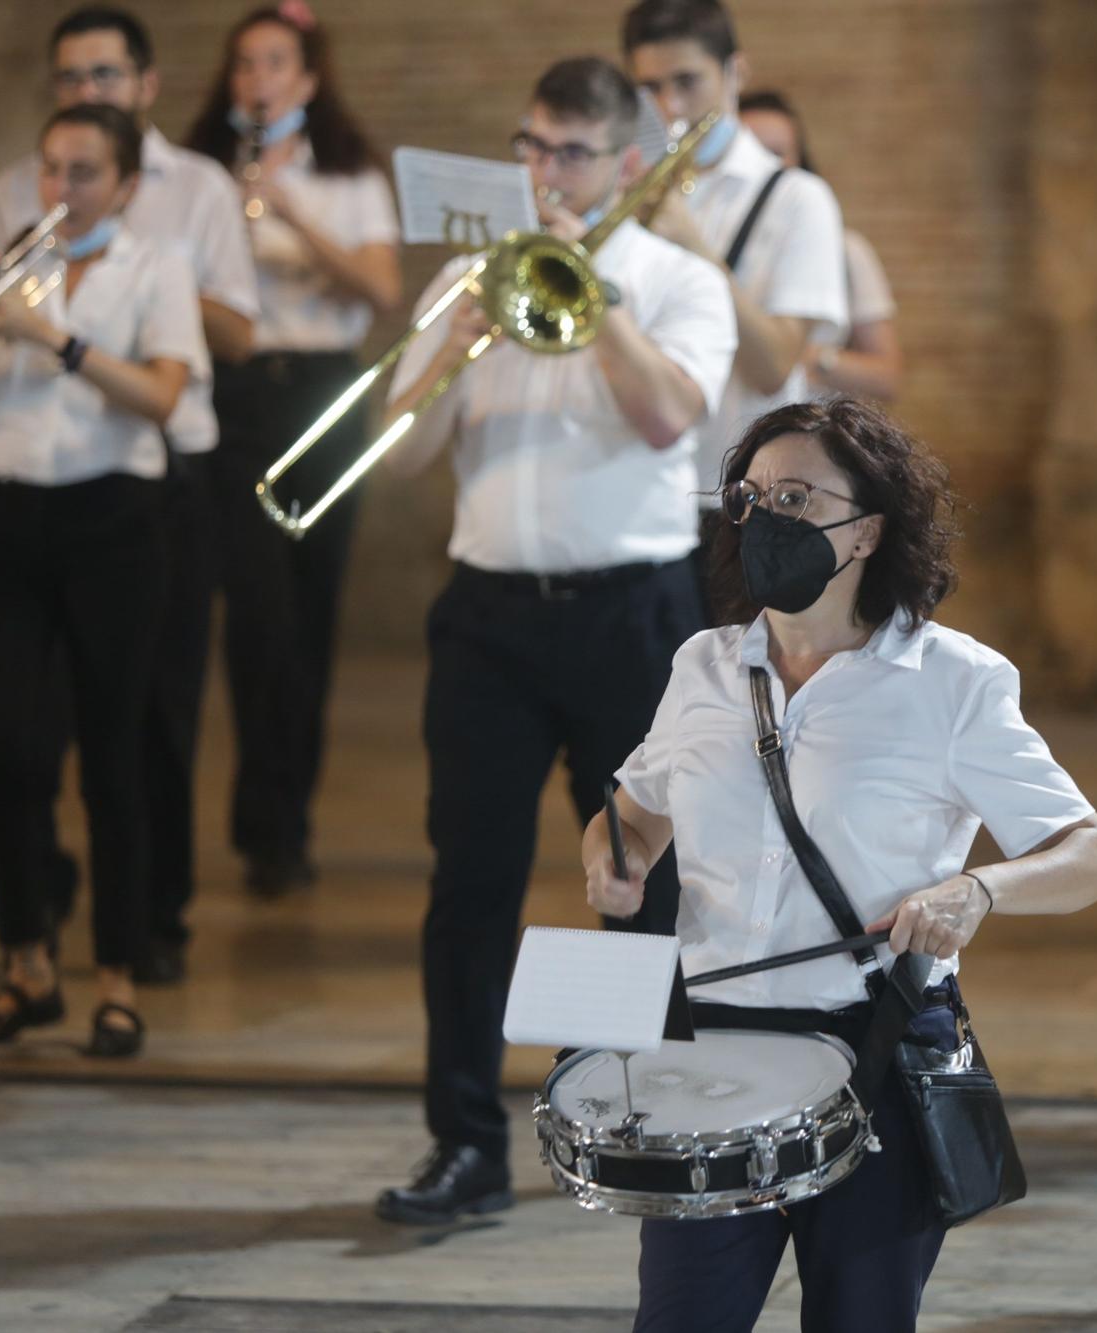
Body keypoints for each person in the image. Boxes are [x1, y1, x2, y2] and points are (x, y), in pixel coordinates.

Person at [582, 396, 1097, 1332]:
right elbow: (630, 819)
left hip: (872, 1057)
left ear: (868, 529)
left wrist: (979, 888)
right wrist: (615, 861)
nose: (766, 518)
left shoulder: (955, 681)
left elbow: (1096, 856)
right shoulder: (704, 666)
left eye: (796, 496)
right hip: (708, 1058)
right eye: (749, 498)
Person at [370, 56, 736, 1229]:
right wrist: (455, 338)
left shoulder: (680, 282)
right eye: (532, 146)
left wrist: (594, 296)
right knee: (466, 880)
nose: (545, 172)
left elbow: (670, 415)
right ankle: (464, 1141)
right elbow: (401, 458)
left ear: (626, 163)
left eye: (570, 152)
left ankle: (630, 1117)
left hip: (630, 610)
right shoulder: (469, 279)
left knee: (641, 880)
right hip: (485, 615)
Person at [0, 5, 259, 981]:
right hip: (19, 487)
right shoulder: (17, 189)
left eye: (103, 76)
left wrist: (112, 304)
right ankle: (37, 923)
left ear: (143, 82)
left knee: (147, 722)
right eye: (70, 78)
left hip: (153, 481)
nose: (86, 93)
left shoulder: (195, 194)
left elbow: (235, 332)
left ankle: (149, 929)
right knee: (16, 730)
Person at [0, 103, 207, 1060]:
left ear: (129, 185)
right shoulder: (13, 258)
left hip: (114, 522)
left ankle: (116, 977)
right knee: (1, 747)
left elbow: (163, 394)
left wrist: (53, 338)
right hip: (5, 514)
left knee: (114, 754)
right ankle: (25, 962)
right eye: (51, 168)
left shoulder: (159, 267)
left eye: (86, 172)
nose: (62, 190)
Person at [185, 1, 401, 896]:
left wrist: (289, 210)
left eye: (275, 64)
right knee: (257, 614)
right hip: (234, 395)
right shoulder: (200, 172)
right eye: (244, 65)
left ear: (308, 79)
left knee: (310, 615)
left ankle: (288, 823)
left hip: (324, 391)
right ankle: (257, 819)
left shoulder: (348, 174)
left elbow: (381, 288)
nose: (258, 80)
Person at [621, 0, 847, 611]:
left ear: (735, 74)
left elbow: (775, 363)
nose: (670, 106)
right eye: (649, 88)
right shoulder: (629, 195)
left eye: (687, 82)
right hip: (642, 502)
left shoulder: (797, 200)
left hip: (748, 507)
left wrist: (693, 247)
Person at [737, 89, 902, 402]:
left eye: (776, 153)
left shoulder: (848, 251)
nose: (764, 167)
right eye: (750, 152)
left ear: (800, 161)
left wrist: (805, 356)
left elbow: (887, 377)